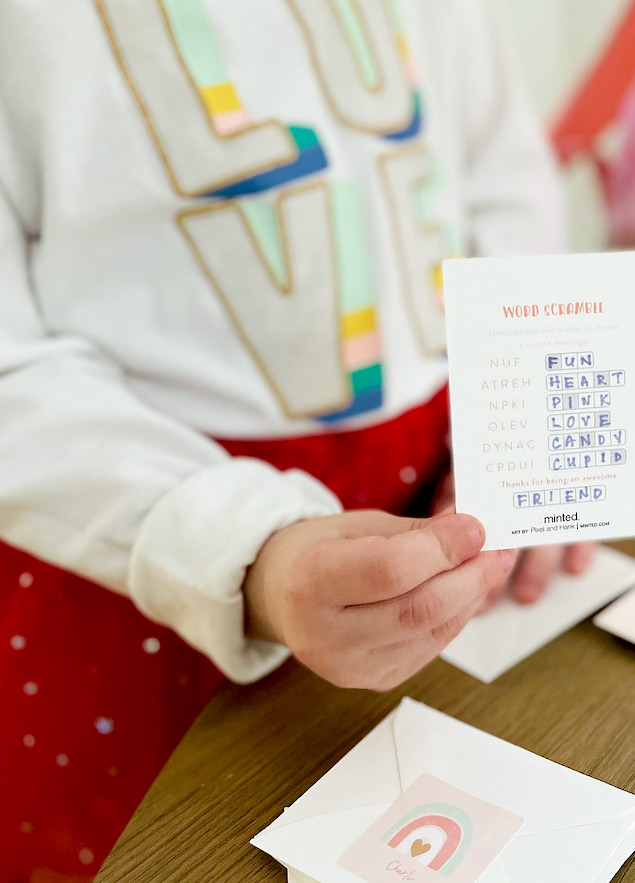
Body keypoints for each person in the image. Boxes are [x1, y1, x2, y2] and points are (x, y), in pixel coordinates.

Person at [0, 2, 591, 880]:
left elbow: (500, 175)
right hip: (133, 570)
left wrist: (527, 428)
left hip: (442, 505)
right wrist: (251, 552)